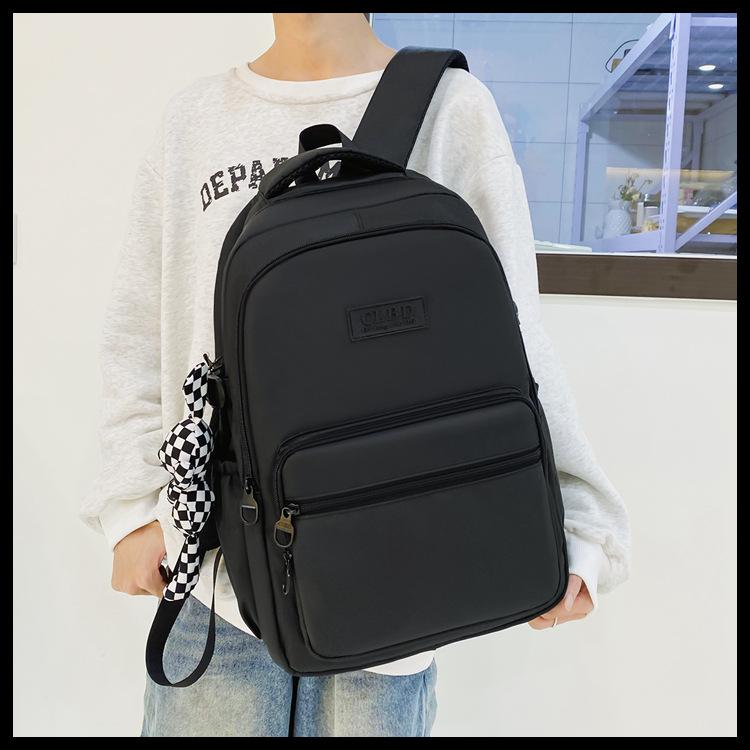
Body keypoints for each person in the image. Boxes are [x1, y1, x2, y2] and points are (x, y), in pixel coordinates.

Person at [80, 12, 631, 738]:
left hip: (398, 566)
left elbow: (514, 332)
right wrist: (132, 507)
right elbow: (139, 330)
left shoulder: (450, 107)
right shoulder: (195, 118)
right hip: (215, 577)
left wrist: (580, 522)